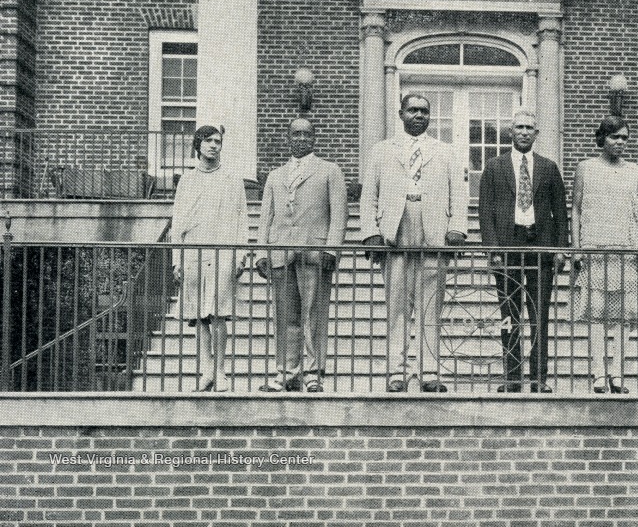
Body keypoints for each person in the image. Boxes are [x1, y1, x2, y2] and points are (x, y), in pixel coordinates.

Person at [360, 94, 469, 393]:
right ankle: (397, 372)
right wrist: (371, 231)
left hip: (434, 228)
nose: (419, 115)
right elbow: (369, 193)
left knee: (430, 306)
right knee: (396, 306)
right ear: (401, 114)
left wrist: (457, 227)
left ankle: (429, 371)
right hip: (395, 227)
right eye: (413, 110)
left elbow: (458, 194)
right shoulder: (382, 151)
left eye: (424, 111)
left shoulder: (445, 152)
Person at [479, 110, 568, 393]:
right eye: (519, 127)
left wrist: (561, 250)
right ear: (510, 132)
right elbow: (485, 212)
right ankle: (513, 377)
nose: (524, 132)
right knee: (510, 316)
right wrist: (492, 249)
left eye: (530, 128)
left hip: (540, 247)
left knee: (539, 315)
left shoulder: (549, 167)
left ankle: (539, 378)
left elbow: (560, 214)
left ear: (536, 133)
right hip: (507, 246)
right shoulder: (494, 167)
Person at [257, 118, 347, 393]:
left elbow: (339, 214)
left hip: (315, 253)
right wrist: (263, 252)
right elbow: (265, 218)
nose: (301, 139)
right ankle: (286, 371)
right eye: (295, 134)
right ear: (288, 138)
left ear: (314, 139)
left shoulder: (329, 171)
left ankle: (312, 373)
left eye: (306, 135)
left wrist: (332, 248)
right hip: (282, 252)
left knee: (313, 315)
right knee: (286, 317)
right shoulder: (275, 175)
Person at [171, 125, 249, 392]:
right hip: (193, 251)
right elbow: (178, 221)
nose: (214, 145)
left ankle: (220, 370)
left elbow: (242, 219)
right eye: (208, 141)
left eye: (218, 141)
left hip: (223, 252)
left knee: (218, 314)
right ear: (198, 145)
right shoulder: (187, 180)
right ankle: (206, 370)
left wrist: (240, 254)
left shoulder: (231, 179)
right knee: (200, 316)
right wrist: (176, 259)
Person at [570, 115, 638, 394]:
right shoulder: (585, 168)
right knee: (597, 314)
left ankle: (618, 374)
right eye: (615, 137)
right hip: (594, 249)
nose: (620, 142)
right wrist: (576, 248)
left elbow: (637, 211)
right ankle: (599, 374)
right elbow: (576, 209)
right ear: (602, 138)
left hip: (624, 250)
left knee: (625, 316)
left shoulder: (634, 170)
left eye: (624, 137)